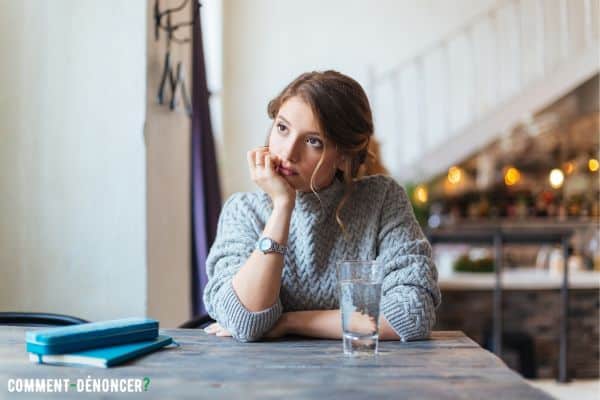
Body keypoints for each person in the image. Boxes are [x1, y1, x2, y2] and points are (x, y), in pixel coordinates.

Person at [203, 70, 440, 342]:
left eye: (313, 141)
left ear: (343, 156)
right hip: (262, 380)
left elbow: (411, 316)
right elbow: (244, 321)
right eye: (282, 128)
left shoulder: (382, 200)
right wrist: (282, 206)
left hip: (364, 376)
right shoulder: (243, 211)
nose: (287, 153)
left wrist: (291, 321)